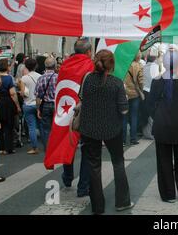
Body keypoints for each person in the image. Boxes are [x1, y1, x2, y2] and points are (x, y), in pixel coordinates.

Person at [79, 50, 133, 214]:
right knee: (118, 163)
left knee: (94, 166)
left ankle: (97, 206)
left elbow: (82, 98)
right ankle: (122, 201)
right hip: (112, 128)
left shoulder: (87, 79)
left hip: (89, 128)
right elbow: (124, 111)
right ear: (111, 64)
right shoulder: (116, 83)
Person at [148, 50, 178, 203]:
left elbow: (150, 104)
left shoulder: (156, 81)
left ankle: (168, 195)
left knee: (164, 160)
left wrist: (158, 116)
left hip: (161, 125)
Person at [61, 39, 93, 198]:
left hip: (66, 109)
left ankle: (67, 177)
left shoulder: (65, 65)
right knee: (87, 149)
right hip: (86, 112)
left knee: (68, 143)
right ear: (88, 52)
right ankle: (83, 187)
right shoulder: (90, 66)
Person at [0, 59, 21, 155]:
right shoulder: (9, 78)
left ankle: (0, 148)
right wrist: (17, 105)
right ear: (6, 67)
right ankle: (8, 148)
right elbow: (13, 93)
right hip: (7, 103)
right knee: (9, 126)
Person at [19, 58, 41, 154]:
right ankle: (47, 146)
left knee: (31, 127)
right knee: (42, 127)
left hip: (28, 104)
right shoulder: (40, 76)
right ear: (36, 66)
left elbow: (23, 93)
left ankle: (34, 148)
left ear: (26, 66)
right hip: (39, 104)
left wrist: (21, 93)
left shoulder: (24, 78)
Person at [35, 58, 58, 150]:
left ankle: (48, 149)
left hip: (46, 105)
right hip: (56, 105)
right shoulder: (58, 77)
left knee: (45, 129)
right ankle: (56, 147)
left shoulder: (41, 78)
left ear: (45, 66)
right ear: (55, 66)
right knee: (56, 127)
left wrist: (38, 109)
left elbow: (38, 96)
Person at [123, 52, 144, 145]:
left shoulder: (123, 65)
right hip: (135, 94)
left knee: (123, 117)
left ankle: (123, 140)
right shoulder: (138, 66)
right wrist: (141, 90)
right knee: (134, 116)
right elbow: (141, 81)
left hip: (124, 94)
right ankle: (133, 139)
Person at [139, 51, 160, 140]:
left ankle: (144, 131)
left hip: (144, 92)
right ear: (155, 58)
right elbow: (156, 81)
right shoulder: (156, 67)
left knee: (145, 113)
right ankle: (150, 133)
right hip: (152, 92)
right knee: (152, 113)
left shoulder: (144, 67)